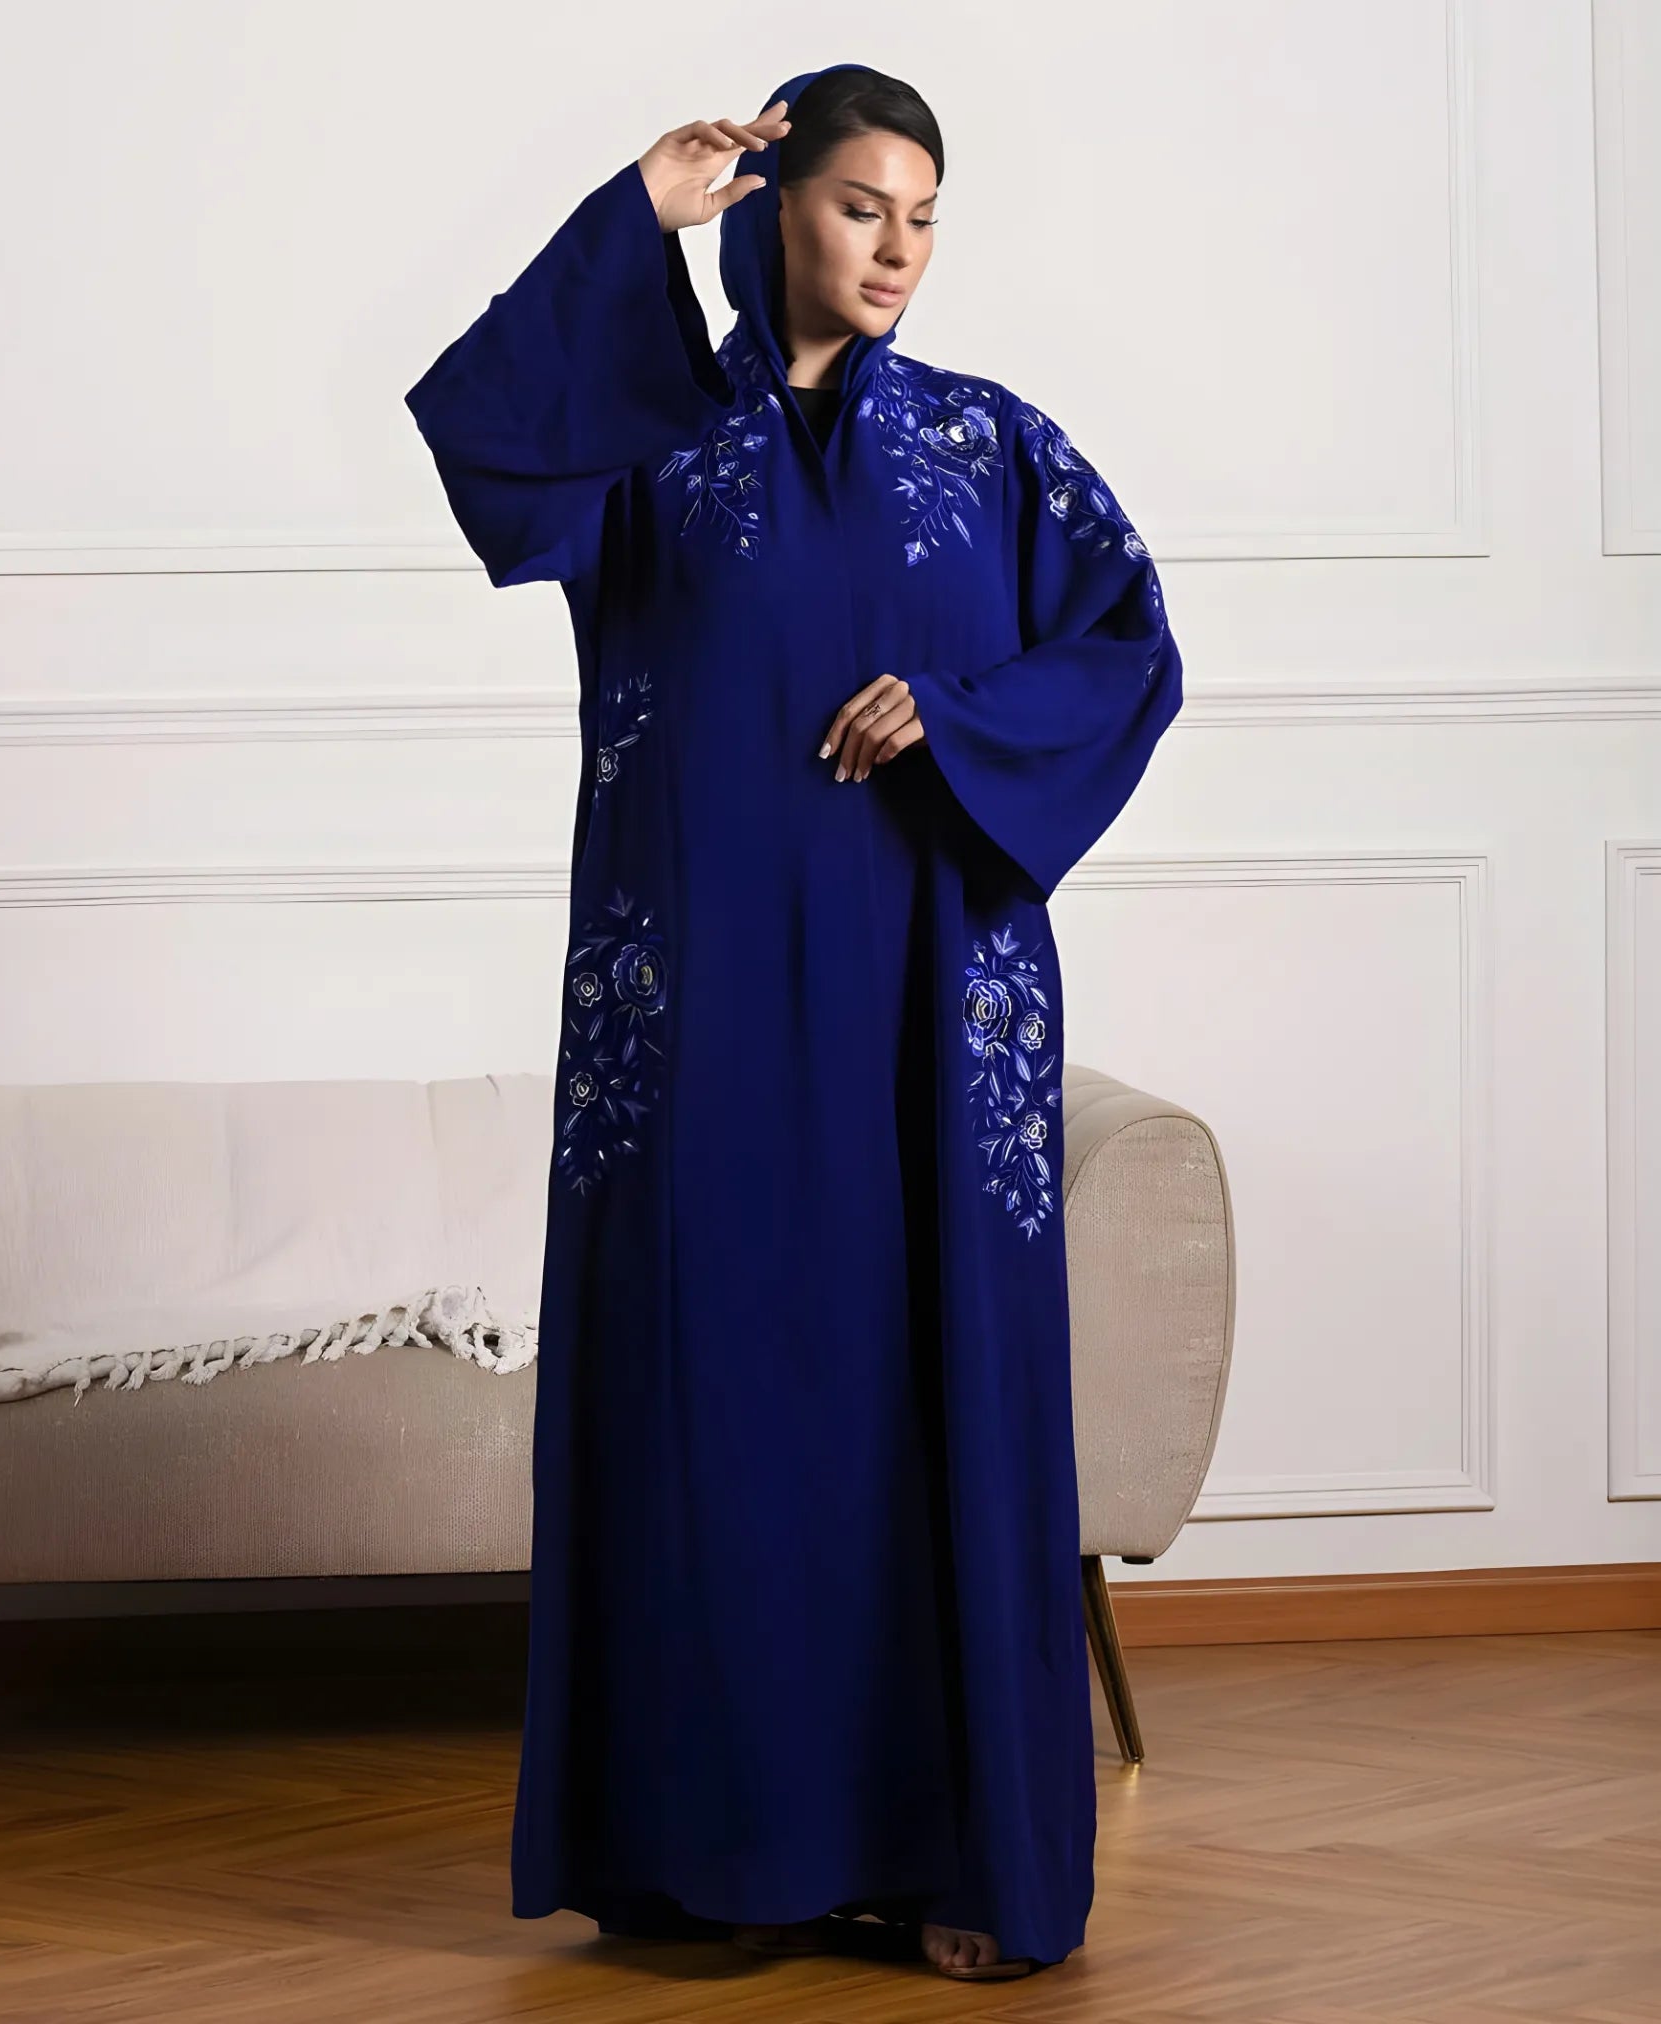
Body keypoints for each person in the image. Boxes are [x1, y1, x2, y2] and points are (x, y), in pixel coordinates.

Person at [403, 61, 1182, 1984]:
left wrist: (961, 718)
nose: (898, 246)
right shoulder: (658, 443)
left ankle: (959, 1860)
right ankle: (708, 1861)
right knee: (715, 1400)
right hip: (705, 1025)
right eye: (858, 206)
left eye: (923, 212)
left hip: (933, 1002)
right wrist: (638, 217)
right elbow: (485, 449)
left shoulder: (993, 448)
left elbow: (1130, 647)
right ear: (779, 212)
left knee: (936, 1398)